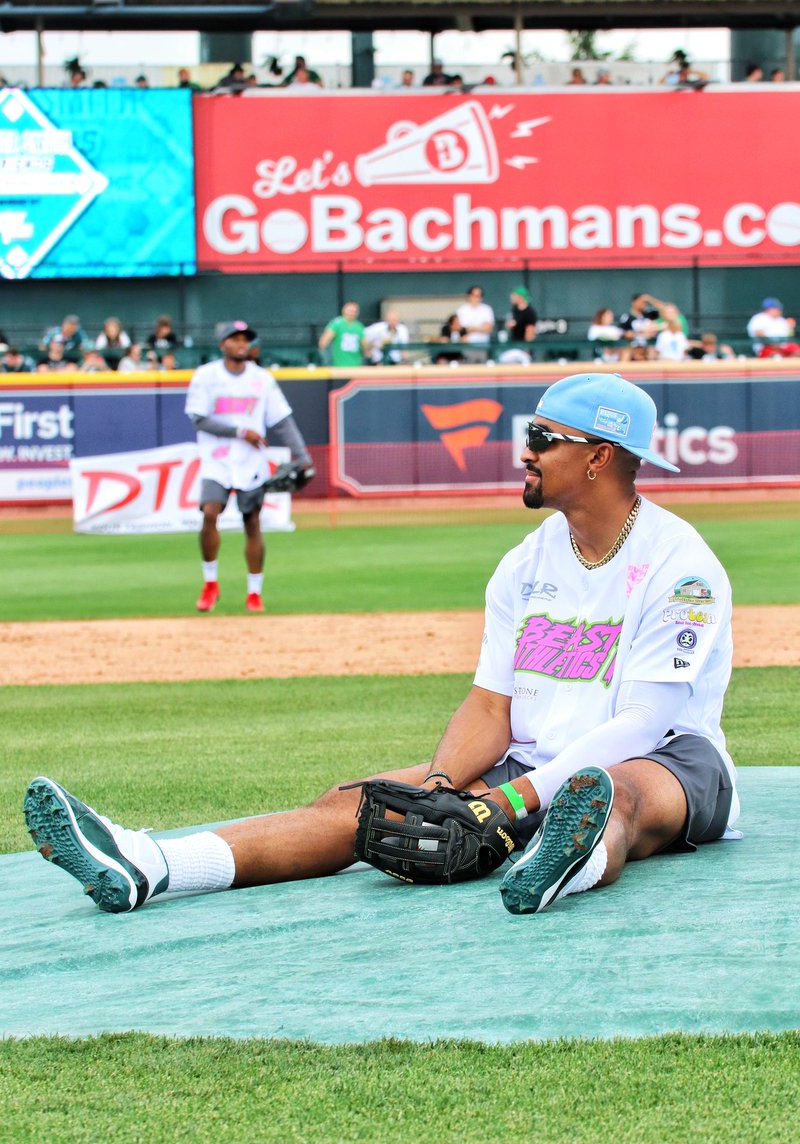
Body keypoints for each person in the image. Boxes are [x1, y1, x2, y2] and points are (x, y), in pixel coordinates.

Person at [23, 373, 740, 919]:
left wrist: (509, 799)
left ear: (599, 458)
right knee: (360, 805)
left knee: (612, 795)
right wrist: (438, 787)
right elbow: (491, 705)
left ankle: (562, 862)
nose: (525, 451)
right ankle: (150, 864)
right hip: (533, 759)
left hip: (671, 761)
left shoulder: (681, 565)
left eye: (544, 438)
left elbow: (646, 722)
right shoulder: (526, 564)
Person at [185, 320, 314, 614]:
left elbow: (282, 420)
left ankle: (254, 592)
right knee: (210, 513)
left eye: (246, 339)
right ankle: (210, 583)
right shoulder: (206, 376)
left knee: (252, 523)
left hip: (250, 462)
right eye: (235, 338)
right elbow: (198, 419)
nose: (241, 343)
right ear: (223, 345)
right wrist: (241, 432)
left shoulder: (262, 379)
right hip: (216, 458)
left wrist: (302, 456)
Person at [318, 302, 368, 367]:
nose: (352, 313)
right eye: (349, 311)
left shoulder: (359, 326)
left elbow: (365, 346)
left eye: (354, 311)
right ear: (343, 311)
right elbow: (323, 343)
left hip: (356, 365)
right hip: (339, 365)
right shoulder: (336, 324)